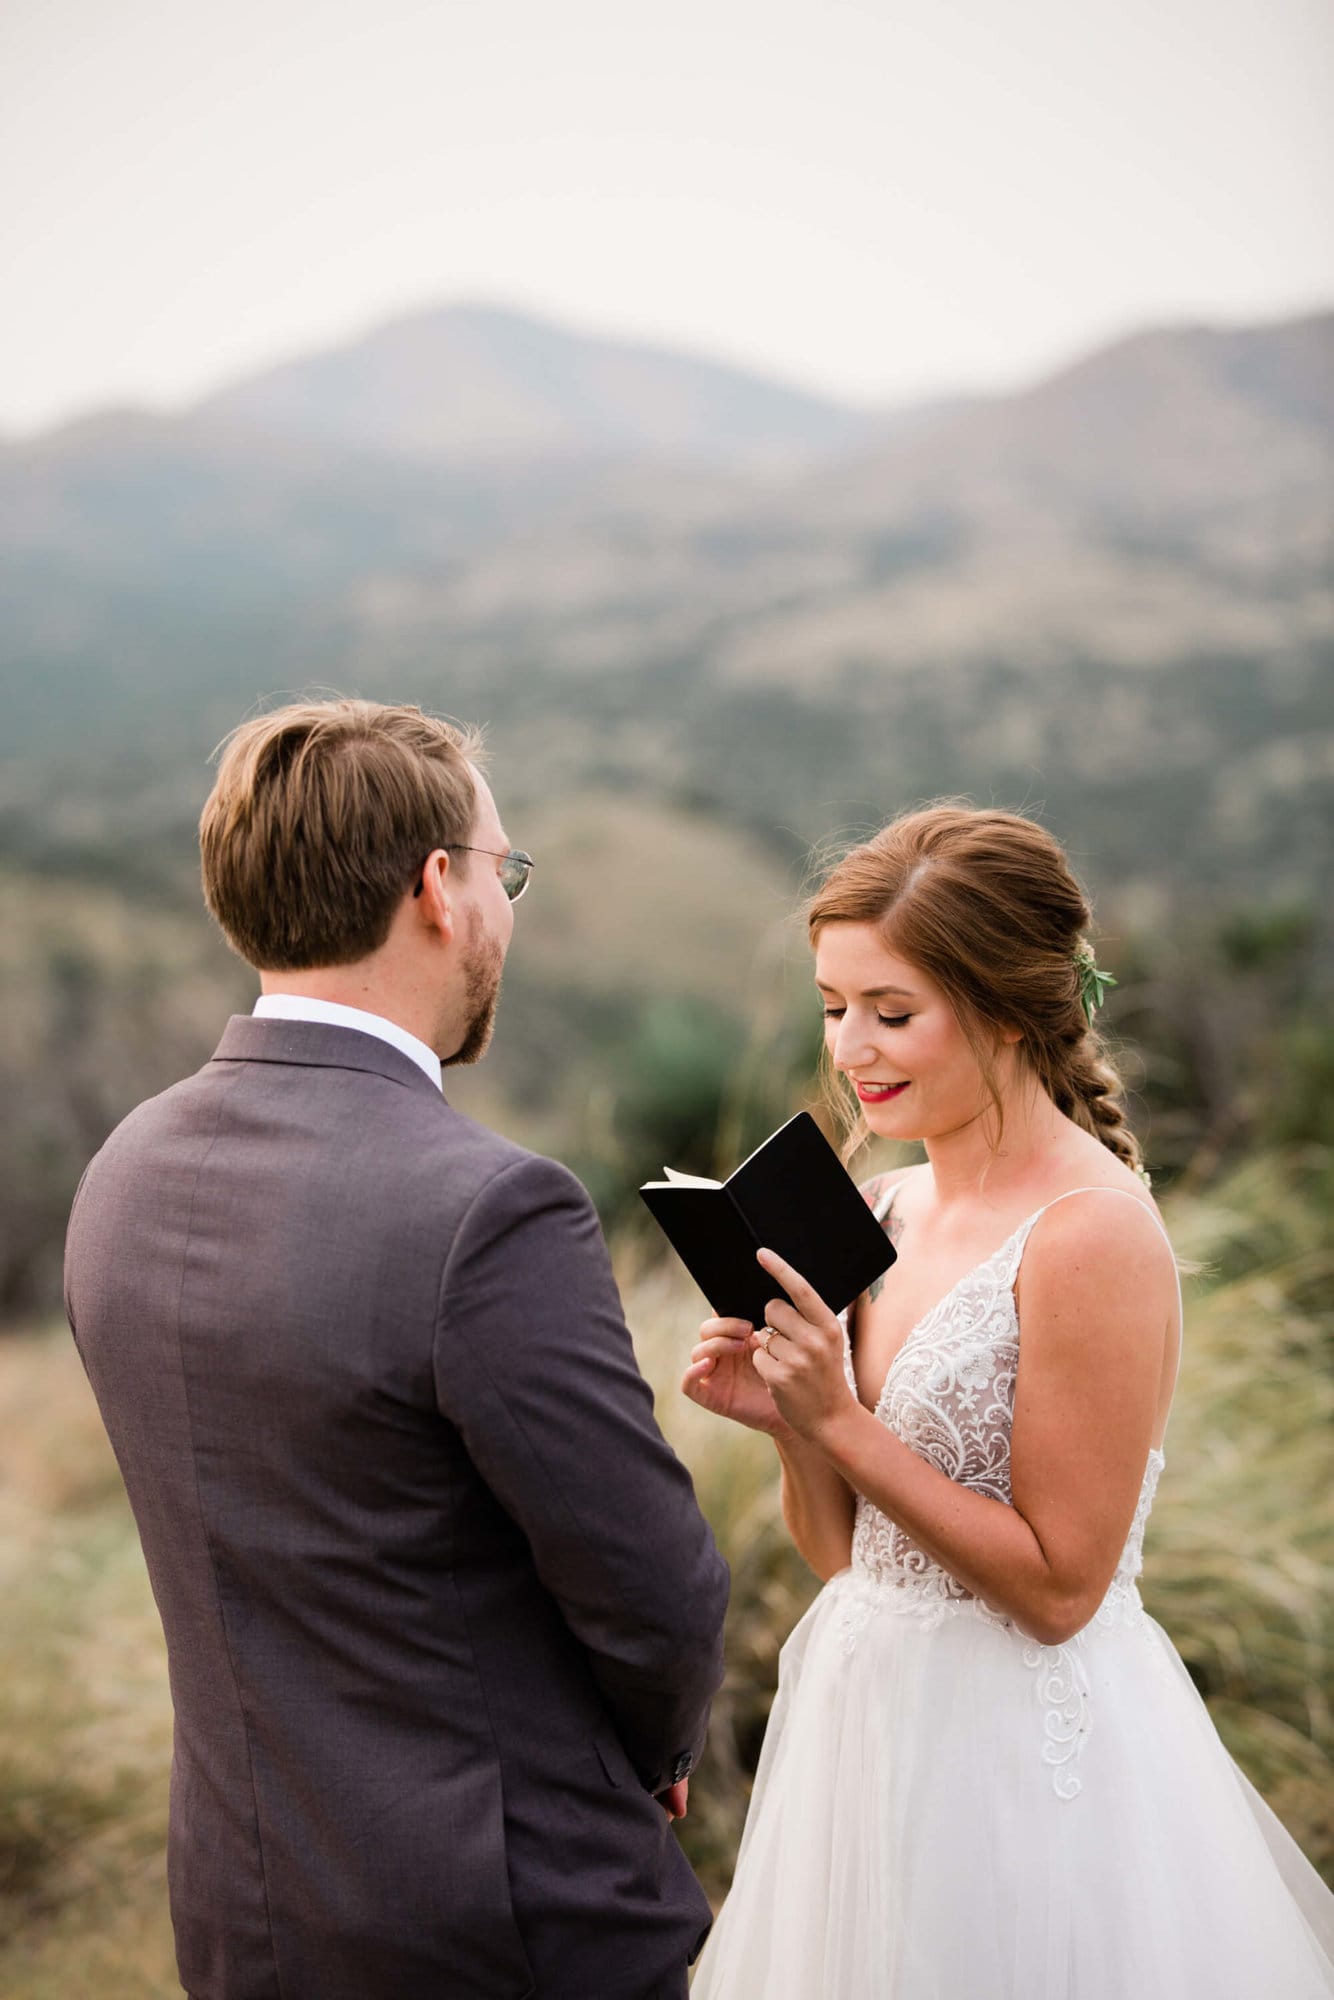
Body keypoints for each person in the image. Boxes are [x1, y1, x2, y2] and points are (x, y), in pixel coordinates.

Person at [63, 697, 728, 2000]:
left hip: (243, 1914)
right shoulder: (488, 1208)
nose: (504, 910)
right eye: (502, 872)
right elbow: (656, 1592)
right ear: (438, 889)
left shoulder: (122, 1172)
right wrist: (652, 1756)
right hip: (505, 1925)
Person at [683, 804, 1334, 1998]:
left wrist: (839, 1422)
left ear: (1003, 1009)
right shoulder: (878, 1207)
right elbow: (844, 1555)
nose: (850, 1048)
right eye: (832, 1008)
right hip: (861, 1725)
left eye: (890, 1012)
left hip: (1020, 1762)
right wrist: (789, 1422)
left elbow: (1057, 1587)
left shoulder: (1089, 1235)